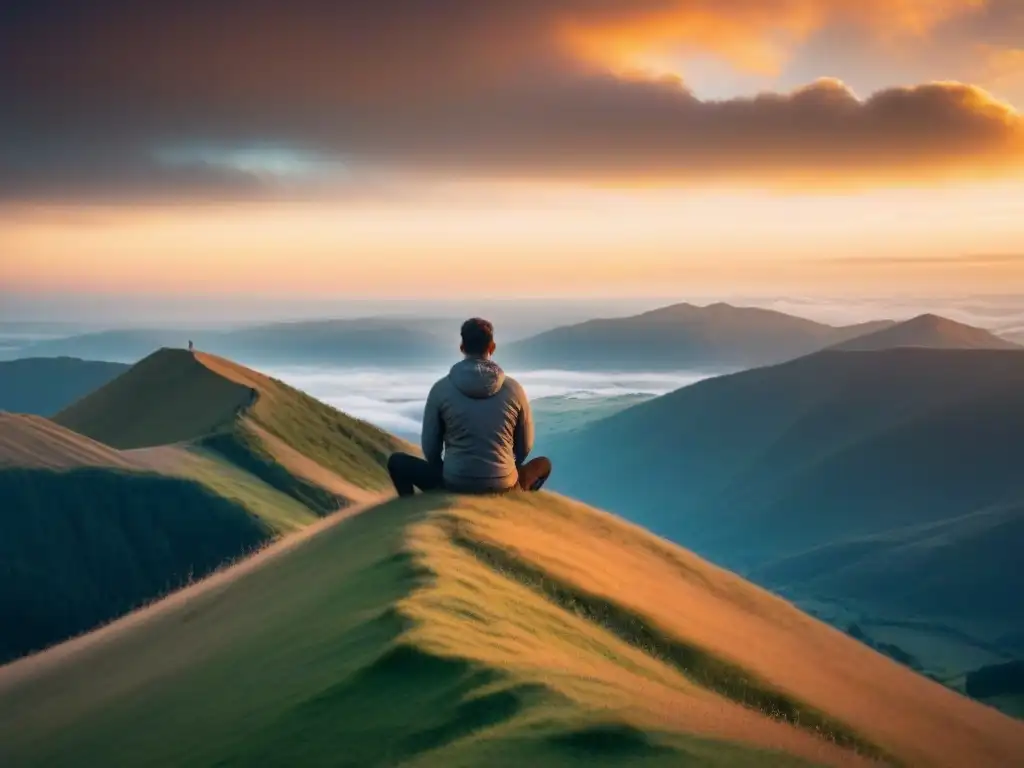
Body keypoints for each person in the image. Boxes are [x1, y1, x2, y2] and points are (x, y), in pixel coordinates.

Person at [388, 318, 551, 497]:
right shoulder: (514, 390)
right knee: (544, 465)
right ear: (492, 347)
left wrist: (450, 471)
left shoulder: (441, 389)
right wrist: (506, 467)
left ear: (462, 347)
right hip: (504, 483)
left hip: (454, 482)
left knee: (397, 462)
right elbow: (525, 447)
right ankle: (519, 500)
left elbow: (430, 449)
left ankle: (411, 508)